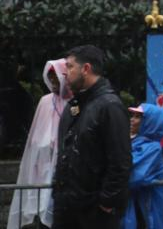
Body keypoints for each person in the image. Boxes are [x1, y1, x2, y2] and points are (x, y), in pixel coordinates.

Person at [51, 46, 132, 229]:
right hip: (68, 208)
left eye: (70, 67)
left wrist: (106, 202)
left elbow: (120, 161)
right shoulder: (74, 106)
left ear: (86, 69)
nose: (65, 73)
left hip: (94, 213)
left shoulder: (110, 106)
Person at [7, 59, 71, 229]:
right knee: (41, 208)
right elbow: (36, 134)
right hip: (42, 163)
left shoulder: (75, 102)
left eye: (56, 76)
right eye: (50, 77)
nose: (53, 81)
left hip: (64, 165)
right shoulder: (45, 101)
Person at [123, 103, 163, 229]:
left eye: (138, 117)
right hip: (133, 207)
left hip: (147, 209)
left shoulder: (153, 148)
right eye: (133, 115)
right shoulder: (133, 142)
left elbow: (134, 176)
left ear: (150, 122)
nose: (132, 119)